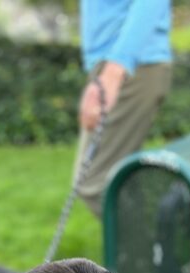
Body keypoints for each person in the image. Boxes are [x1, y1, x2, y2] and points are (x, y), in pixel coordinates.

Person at [74, 0, 173, 217]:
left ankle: (151, 248)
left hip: (129, 64)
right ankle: (153, 246)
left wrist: (115, 70)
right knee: (121, 182)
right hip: (121, 63)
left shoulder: (119, 67)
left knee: (96, 184)